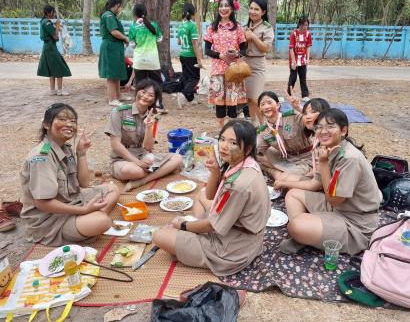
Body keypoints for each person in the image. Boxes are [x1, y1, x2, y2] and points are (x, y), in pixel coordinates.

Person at [153, 120, 270, 276]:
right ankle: (192, 231)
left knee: (159, 236)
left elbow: (213, 226)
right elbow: (210, 196)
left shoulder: (237, 184)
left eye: (233, 142)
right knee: (201, 195)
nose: (224, 146)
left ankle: (192, 235)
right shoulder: (245, 163)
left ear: (247, 148)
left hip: (232, 249)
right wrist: (215, 172)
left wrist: (183, 225)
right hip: (239, 231)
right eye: (222, 139)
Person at [280, 108, 382, 256]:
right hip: (339, 208)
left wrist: (322, 163)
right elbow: (318, 182)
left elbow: (334, 200)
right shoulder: (329, 148)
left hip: (355, 221)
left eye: (330, 126)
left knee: (295, 226)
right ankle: (308, 235)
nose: (323, 131)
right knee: (293, 195)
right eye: (319, 127)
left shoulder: (349, 158)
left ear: (343, 130)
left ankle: (305, 233)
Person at [19, 103, 120, 246]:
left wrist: (81, 153)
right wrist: (83, 210)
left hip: (72, 200)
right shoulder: (42, 157)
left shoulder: (66, 148)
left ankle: (89, 217)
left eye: (73, 121)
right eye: (62, 119)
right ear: (47, 125)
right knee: (102, 222)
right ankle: (90, 218)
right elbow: (43, 204)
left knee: (113, 188)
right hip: (50, 219)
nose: (69, 124)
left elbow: (83, 184)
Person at [104, 78, 183, 192]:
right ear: (137, 92)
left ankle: (141, 181)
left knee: (177, 158)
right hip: (121, 159)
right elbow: (116, 145)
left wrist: (149, 127)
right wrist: (137, 162)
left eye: (151, 95)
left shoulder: (152, 116)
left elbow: (148, 147)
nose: (145, 96)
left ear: (154, 99)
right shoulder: (119, 111)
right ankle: (149, 174)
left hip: (143, 156)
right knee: (136, 171)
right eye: (143, 92)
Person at [204, 0, 247, 127]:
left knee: (233, 104)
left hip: (234, 70)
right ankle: (222, 130)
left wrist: (237, 53)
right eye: (221, 6)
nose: (223, 8)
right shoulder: (212, 27)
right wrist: (221, 56)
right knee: (219, 104)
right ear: (218, 9)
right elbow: (207, 50)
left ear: (232, 9)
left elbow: (244, 48)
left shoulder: (238, 27)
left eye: (226, 5)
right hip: (217, 70)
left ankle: (232, 131)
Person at [273, 97, 331, 191]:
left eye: (313, 112)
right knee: (283, 179)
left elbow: (316, 184)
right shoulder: (316, 137)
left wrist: (284, 183)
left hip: (329, 188)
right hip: (318, 177)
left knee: (289, 189)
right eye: (305, 114)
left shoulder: (326, 141)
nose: (307, 116)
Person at [256, 91, 313, 182]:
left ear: (278, 105)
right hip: (286, 158)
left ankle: (277, 173)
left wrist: (298, 107)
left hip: (306, 158)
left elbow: (313, 121)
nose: (266, 107)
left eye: (269, 103)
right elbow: (256, 149)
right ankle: (277, 172)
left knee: (287, 179)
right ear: (260, 109)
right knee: (253, 156)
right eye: (262, 104)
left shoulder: (292, 116)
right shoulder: (264, 130)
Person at [126, 3, 165, 111]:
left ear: (134, 14)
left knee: (140, 83)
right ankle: (157, 103)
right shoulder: (154, 25)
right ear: (146, 13)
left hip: (139, 59)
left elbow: (132, 44)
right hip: (153, 59)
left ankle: (140, 104)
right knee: (156, 82)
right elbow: (159, 39)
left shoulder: (133, 27)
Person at [243, 0, 274, 126]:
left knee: (257, 98)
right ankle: (254, 123)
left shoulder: (267, 28)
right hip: (245, 64)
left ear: (263, 12)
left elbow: (266, 48)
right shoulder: (245, 27)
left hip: (258, 64)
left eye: (257, 9)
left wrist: (253, 37)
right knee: (249, 98)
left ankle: (263, 125)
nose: (253, 11)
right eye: (251, 8)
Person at [98, 0, 129, 107]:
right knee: (111, 74)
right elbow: (114, 32)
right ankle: (112, 99)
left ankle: (118, 96)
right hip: (110, 47)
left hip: (115, 47)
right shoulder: (109, 15)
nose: (120, 9)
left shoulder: (112, 16)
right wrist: (125, 38)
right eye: (120, 6)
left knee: (116, 72)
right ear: (116, 5)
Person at [37, 4, 72, 96]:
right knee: (59, 67)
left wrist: (58, 26)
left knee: (51, 69)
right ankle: (60, 90)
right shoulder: (47, 22)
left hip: (48, 47)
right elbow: (55, 36)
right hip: (50, 47)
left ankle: (53, 90)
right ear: (49, 12)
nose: (54, 14)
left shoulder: (44, 21)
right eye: (53, 12)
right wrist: (56, 25)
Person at [177, 3, 204, 109]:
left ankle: (190, 98)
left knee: (186, 77)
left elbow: (179, 42)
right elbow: (194, 43)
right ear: (193, 13)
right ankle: (183, 95)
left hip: (182, 54)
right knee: (194, 78)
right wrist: (199, 60)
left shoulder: (181, 25)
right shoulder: (192, 25)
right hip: (190, 56)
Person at [287, 17, 312, 100]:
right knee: (293, 78)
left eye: (307, 25)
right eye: (305, 25)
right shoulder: (293, 34)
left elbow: (308, 47)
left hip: (303, 60)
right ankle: (289, 94)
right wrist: (293, 61)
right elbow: (291, 48)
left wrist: (308, 59)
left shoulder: (308, 34)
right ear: (300, 25)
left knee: (303, 78)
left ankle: (305, 95)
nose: (306, 27)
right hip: (294, 60)